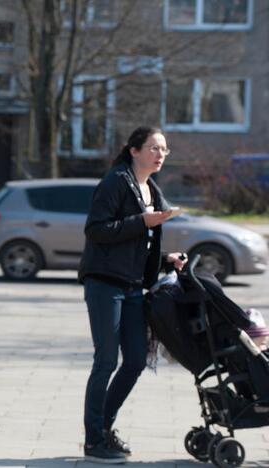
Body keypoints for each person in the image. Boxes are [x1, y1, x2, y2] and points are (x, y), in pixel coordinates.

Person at [78, 126, 187, 464]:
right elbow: (96, 230)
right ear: (134, 150)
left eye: (164, 150)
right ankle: (94, 440)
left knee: (137, 360)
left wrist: (167, 256)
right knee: (106, 361)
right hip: (104, 283)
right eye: (154, 148)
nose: (160, 155)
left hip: (133, 286)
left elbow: (141, 240)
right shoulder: (115, 181)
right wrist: (142, 221)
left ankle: (104, 428)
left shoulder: (152, 189)